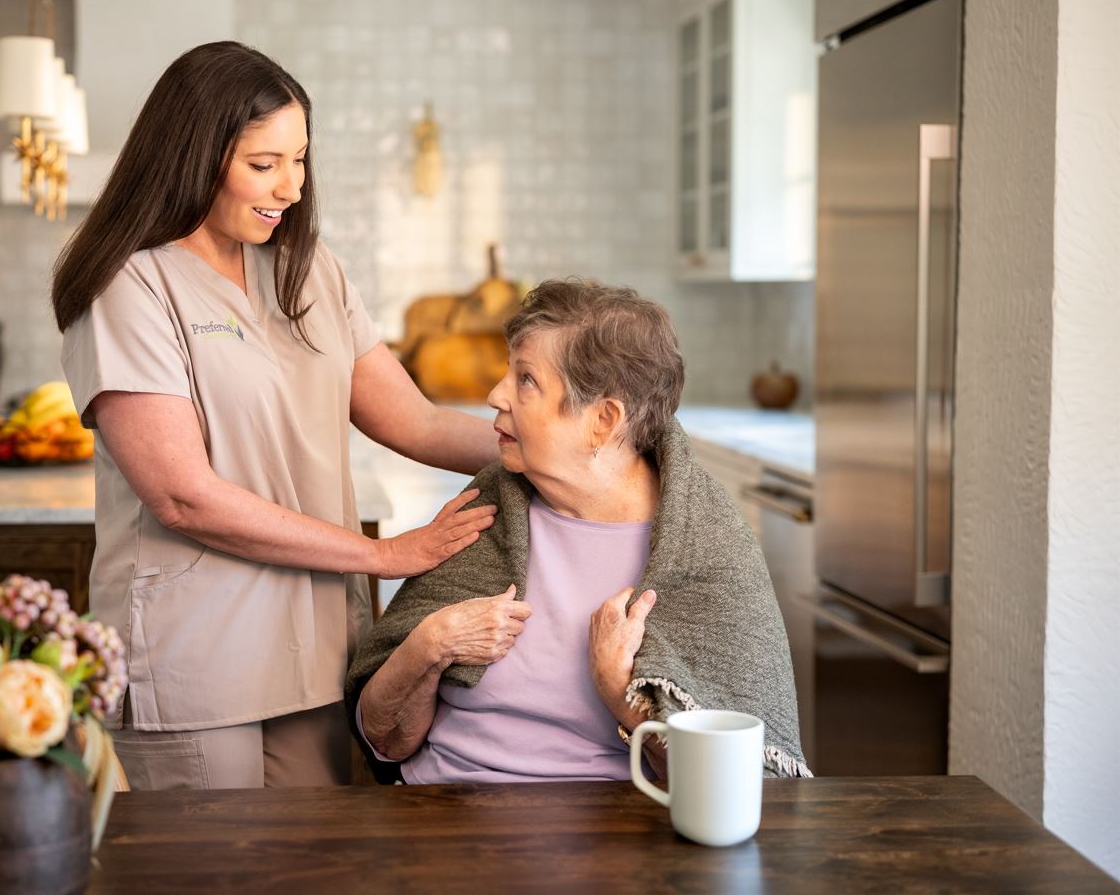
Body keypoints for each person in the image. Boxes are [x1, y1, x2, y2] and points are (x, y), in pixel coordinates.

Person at [53, 41, 499, 790]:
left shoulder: (309, 267)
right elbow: (181, 494)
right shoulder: (129, 283)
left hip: (320, 645)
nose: (289, 186)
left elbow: (415, 422)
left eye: (299, 160)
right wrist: (387, 555)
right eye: (264, 164)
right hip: (197, 651)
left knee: (319, 867)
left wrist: (568, 448)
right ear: (192, 156)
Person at [347, 280, 811, 783]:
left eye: (525, 380)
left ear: (603, 421)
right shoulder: (486, 513)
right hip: (441, 811)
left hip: (616, 830)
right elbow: (385, 740)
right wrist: (431, 644)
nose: (495, 394)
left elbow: (724, 783)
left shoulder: (706, 547)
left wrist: (621, 695)